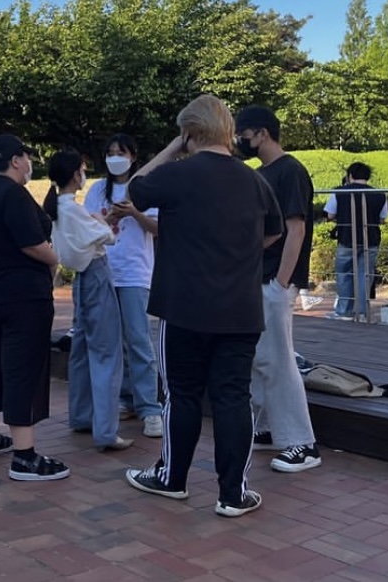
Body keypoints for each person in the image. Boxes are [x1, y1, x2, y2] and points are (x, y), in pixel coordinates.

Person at [125, 95, 282, 516]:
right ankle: (233, 493)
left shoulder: (178, 175)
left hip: (184, 306)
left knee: (182, 395)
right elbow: (273, 233)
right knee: (233, 397)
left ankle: (172, 478)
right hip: (240, 308)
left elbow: (135, 188)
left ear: (189, 133)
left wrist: (173, 148)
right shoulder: (255, 181)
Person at [0, 134, 67, 481]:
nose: (29, 163)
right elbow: (32, 243)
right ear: (14, 160)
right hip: (22, 294)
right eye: (26, 157)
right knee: (23, 367)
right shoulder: (12, 194)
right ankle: (25, 456)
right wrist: (54, 259)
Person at [234, 105, 322, 473]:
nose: (239, 141)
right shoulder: (260, 174)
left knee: (279, 360)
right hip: (257, 278)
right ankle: (270, 428)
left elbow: (295, 228)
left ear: (262, 133)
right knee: (260, 358)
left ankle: (303, 443)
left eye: (243, 134)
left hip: (274, 280)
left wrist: (282, 282)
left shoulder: (290, 171)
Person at [44, 149, 127, 451]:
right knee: (107, 352)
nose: (84, 174)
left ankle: (81, 415)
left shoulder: (57, 207)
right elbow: (107, 237)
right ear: (74, 174)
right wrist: (100, 220)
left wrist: (96, 221)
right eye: (82, 169)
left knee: (81, 349)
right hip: (96, 274)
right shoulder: (73, 210)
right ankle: (106, 431)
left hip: (81, 280)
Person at [84, 134, 164, 439]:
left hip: (134, 274)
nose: (115, 158)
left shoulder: (145, 188)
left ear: (133, 157)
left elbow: (158, 228)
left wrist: (134, 213)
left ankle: (150, 407)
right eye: (110, 153)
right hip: (104, 271)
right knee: (113, 342)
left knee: (139, 340)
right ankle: (127, 398)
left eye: (121, 152)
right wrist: (111, 216)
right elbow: (87, 226)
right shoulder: (97, 190)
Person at [324, 163, 388, 320]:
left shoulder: (339, 192)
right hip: (371, 239)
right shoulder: (380, 194)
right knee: (364, 275)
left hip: (346, 238)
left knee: (344, 274)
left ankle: (344, 311)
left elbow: (330, 215)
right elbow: (382, 219)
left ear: (350, 175)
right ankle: (362, 312)